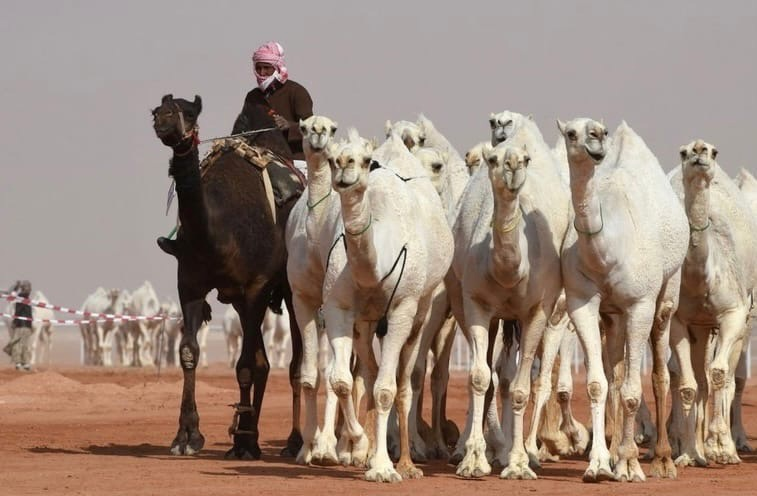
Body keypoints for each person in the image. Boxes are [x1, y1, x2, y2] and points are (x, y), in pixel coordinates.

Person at [235, 41, 314, 164]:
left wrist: (289, 126)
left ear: (277, 68)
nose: (262, 73)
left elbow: (312, 129)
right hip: (260, 159)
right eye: (258, 68)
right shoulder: (252, 97)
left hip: (295, 160)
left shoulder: (296, 92)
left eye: (266, 68)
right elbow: (242, 128)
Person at [3, 280, 34, 371]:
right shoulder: (20, 298)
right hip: (20, 325)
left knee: (25, 345)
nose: (29, 290)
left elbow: (28, 313)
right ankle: (19, 362)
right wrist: (16, 322)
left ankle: (25, 363)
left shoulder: (26, 299)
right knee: (17, 344)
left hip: (26, 325)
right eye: (27, 288)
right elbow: (18, 311)